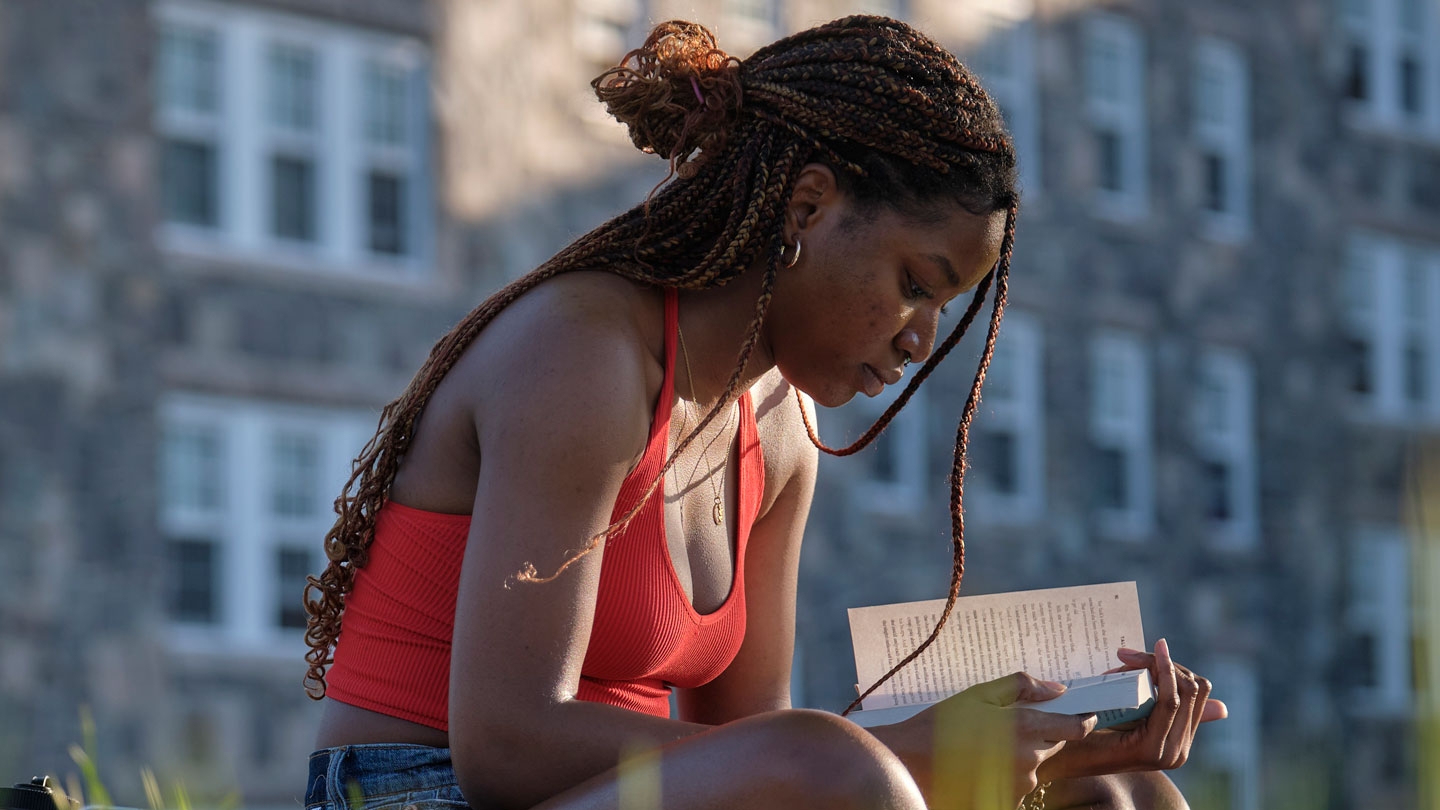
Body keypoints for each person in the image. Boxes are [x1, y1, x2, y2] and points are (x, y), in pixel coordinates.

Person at [300, 15, 1225, 810]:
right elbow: (505, 746)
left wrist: (1020, 753)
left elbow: (745, 757)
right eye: (913, 285)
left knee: (1118, 796)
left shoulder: (778, 429)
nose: (918, 343)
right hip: (413, 787)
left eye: (941, 311)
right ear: (809, 205)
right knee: (827, 761)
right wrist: (885, 759)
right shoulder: (584, 355)